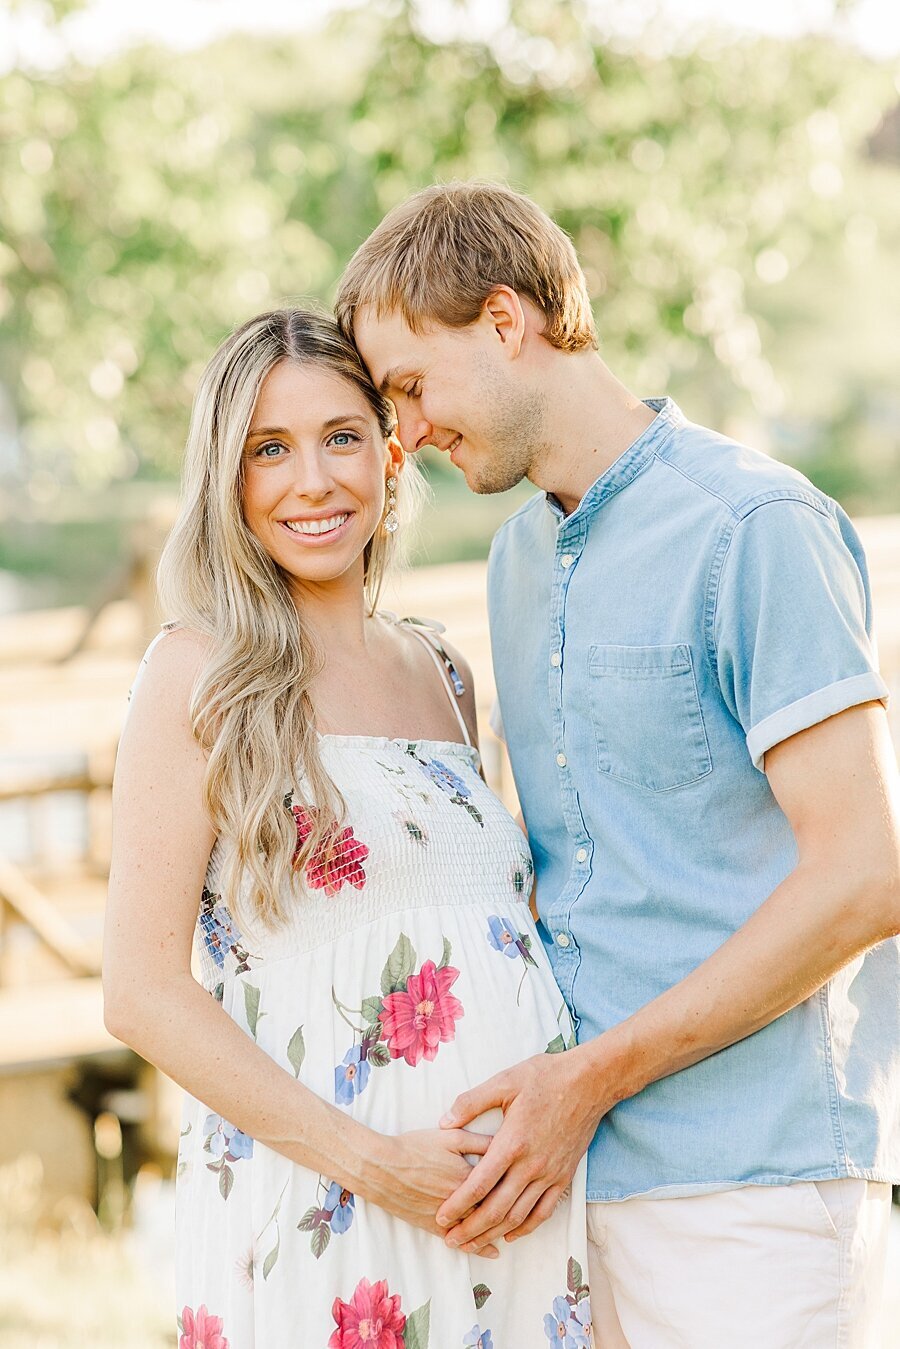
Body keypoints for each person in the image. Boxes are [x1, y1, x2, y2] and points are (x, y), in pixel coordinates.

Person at [335, 181, 900, 1348]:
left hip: (760, 1188)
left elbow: (866, 876)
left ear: (505, 322)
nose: (406, 433)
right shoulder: (514, 564)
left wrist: (589, 1077)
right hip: (573, 1193)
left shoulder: (754, 529)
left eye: (409, 384)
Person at [102, 309, 592, 1348]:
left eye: (341, 436)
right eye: (268, 450)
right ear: (225, 481)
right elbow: (140, 991)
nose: (313, 481)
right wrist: (377, 1162)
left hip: (517, 1220)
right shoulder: (198, 674)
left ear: (390, 451)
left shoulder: (445, 670)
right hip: (329, 1217)